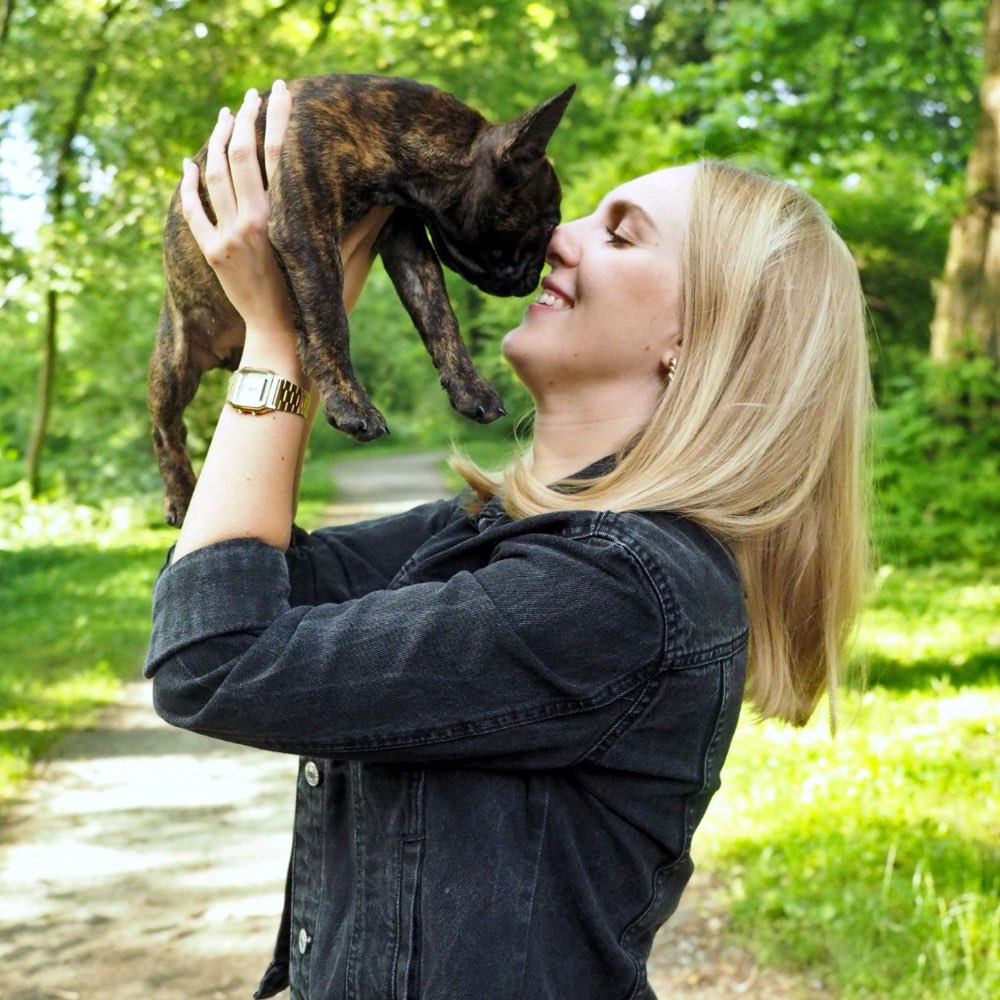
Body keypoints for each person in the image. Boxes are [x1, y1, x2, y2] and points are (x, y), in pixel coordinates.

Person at [143, 80, 871, 1000]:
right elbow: (223, 584)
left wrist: (281, 347)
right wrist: (289, 306)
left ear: (699, 336)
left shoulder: (620, 592)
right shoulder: (490, 533)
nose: (560, 235)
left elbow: (213, 661)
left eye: (620, 232)